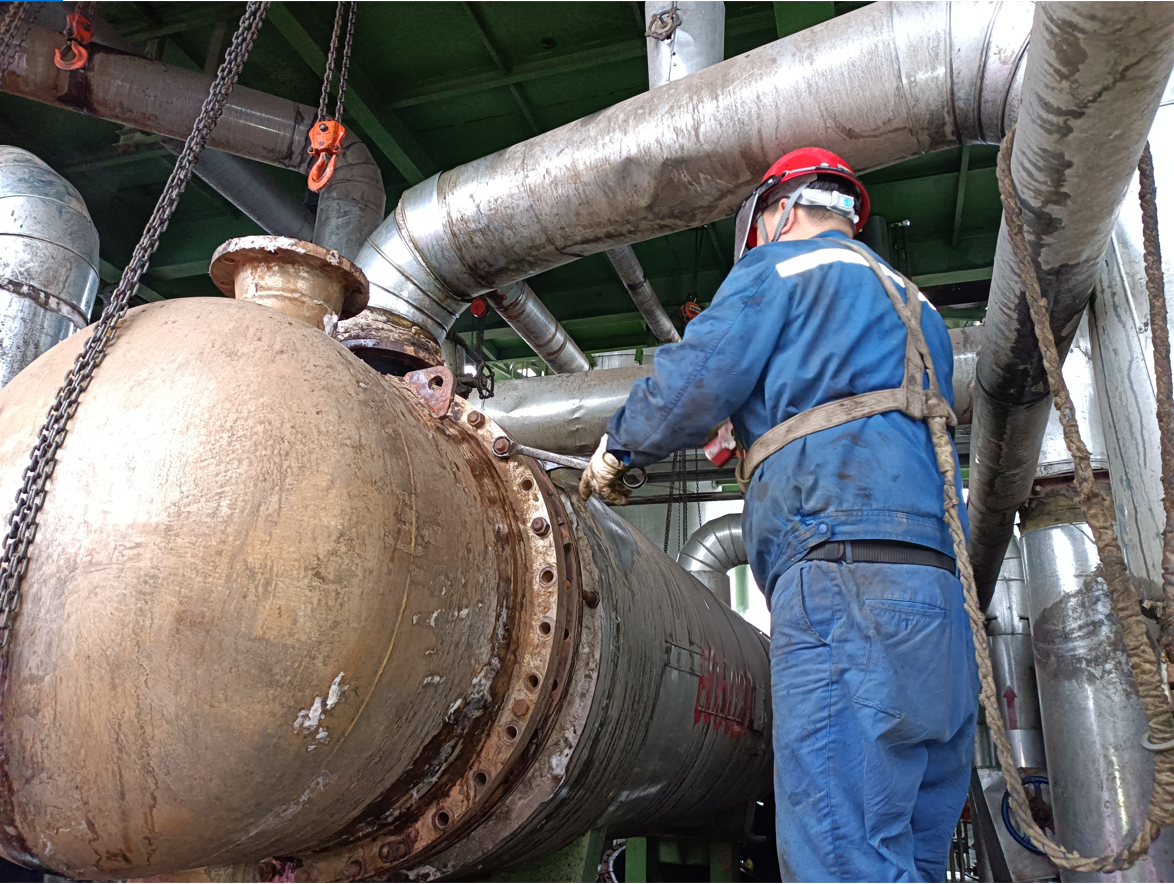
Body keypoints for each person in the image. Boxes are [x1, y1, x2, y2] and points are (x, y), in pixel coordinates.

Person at [579, 148, 979, 883]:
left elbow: (693, 381)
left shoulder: (780, 268)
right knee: (912, 856)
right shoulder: (915, 305)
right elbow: (861, 406)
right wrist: (754, 425)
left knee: (839, 853)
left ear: (780, 211)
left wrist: (619, 450)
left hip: (840, 575)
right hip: (939, 596)